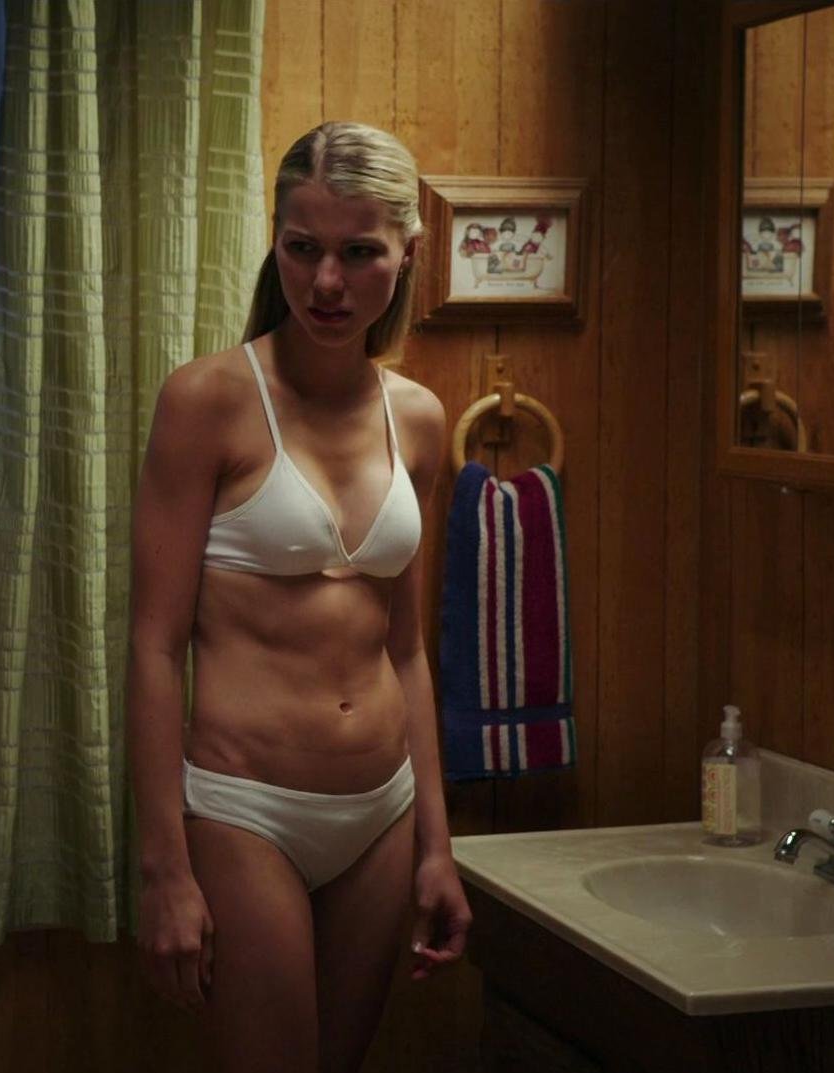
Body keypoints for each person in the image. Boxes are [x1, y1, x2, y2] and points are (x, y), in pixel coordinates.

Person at [127, 121, 473, 1073]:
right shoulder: (207, 401)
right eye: (302, 246)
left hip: (383, 810)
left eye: (360, 253)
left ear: (408, 252)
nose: (326, 282)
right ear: (274, 239)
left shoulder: (419, 419)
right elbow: (154, 646)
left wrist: (437, 846)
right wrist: (163, 868)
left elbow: (406, 649)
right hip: (247, 810)